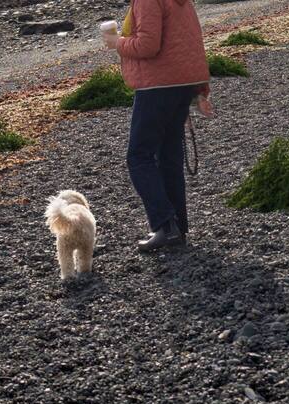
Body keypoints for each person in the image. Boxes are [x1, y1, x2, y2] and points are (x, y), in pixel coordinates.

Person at [101, 0, 214, 252]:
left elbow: (147, 46)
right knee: (169, 156)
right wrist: (198, 90)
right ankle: (177, 229)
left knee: (138, 157)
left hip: (157, 85)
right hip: (182, 82)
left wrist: (116, 43)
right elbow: (191, 41)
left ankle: (165, 225)